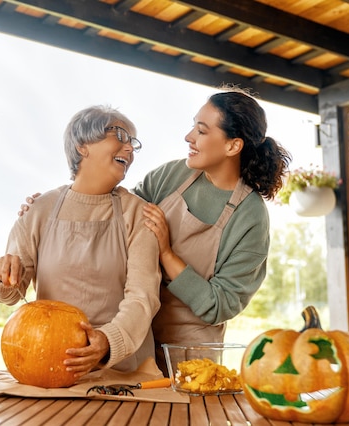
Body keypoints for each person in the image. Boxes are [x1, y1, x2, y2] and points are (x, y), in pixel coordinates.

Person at [20, 88, 291, 373]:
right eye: (193, 127)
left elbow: (221, 304)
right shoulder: (173, 175)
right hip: (134, 337)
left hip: (190, 351)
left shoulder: (250, 216)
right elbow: (115, 210)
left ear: (232, 146)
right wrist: (49, 206)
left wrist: (166, 252)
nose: (189, 137)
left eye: (201, 131)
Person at [0, 105, 161, 379]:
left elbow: (143, 297)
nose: (129, 150)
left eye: (133, 144)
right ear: (82, 145)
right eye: (120, 136)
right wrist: (2, 275)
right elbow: (10, 294)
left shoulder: (139, 213)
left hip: (122, 370)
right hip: (50, 364)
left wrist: (107, 342)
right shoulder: (39, 209)